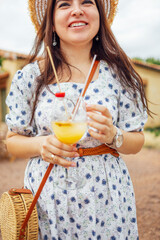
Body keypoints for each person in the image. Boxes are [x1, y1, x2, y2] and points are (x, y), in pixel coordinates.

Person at [5, 0, 149, 239]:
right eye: (64, 4)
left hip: (107, 200)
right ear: (51, 21)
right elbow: (12, 140)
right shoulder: (30, 77)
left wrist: (114, 135)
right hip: (48, 203)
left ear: (99, 15)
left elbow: (138, 141)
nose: (77, 10)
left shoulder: (121, 75)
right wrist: (41, 144)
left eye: (86, 2)